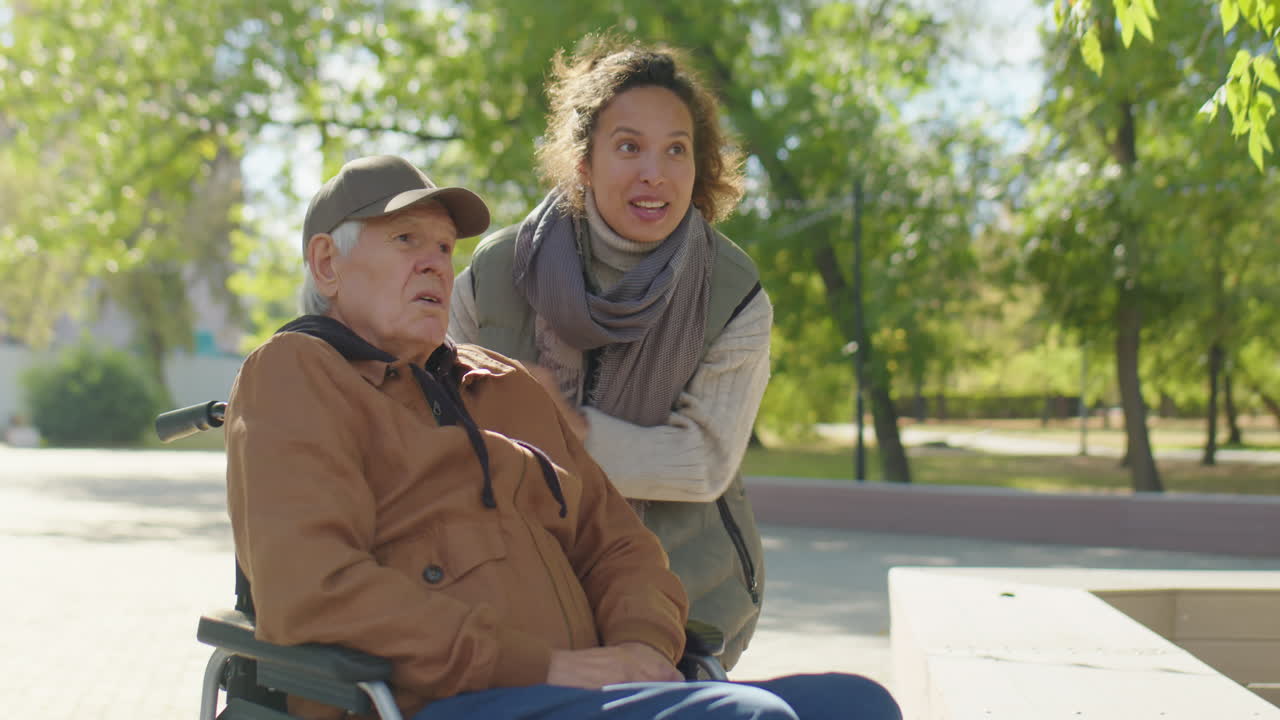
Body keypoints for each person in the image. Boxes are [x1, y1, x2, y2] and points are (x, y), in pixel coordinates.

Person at [225, 154, 901, 720]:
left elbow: (621, 547)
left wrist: (641, 648)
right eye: (406, 241)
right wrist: (550, 667)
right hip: (433, 698)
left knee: (857, 705)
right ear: (326, 263)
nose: (436, 264)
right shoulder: (296, 375)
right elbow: (314, 590)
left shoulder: (504, 385)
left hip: (585, 692)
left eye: (442, 248)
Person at [450, 34, 770, 671]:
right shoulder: (495, 273)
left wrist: (567, 435)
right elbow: (445, 424)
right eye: (629, 146)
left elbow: (702, 462)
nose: (654, 172)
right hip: (513, 591)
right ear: (584, 163)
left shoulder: (733, 293)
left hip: (682, 599)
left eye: (676, 150)